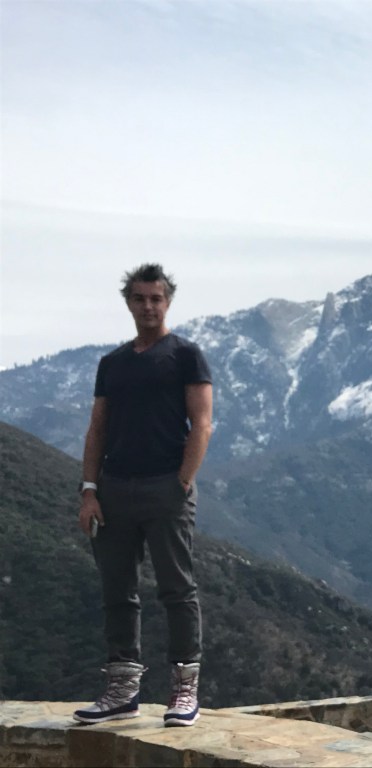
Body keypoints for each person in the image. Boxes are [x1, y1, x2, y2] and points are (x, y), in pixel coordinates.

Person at [73, 264, 213, 727]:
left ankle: (184, 690)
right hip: (114, 488)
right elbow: (97, 429)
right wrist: (89, 491)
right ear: (129, 303)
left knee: (177, 589)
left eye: (156, 298)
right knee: (117, 590)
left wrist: (182, 481)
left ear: (167, 302)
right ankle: (122, 690)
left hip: (165, 486)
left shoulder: (186, 355)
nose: (148, 306)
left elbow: (202, 423)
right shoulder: (112, 363)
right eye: (140, 298)